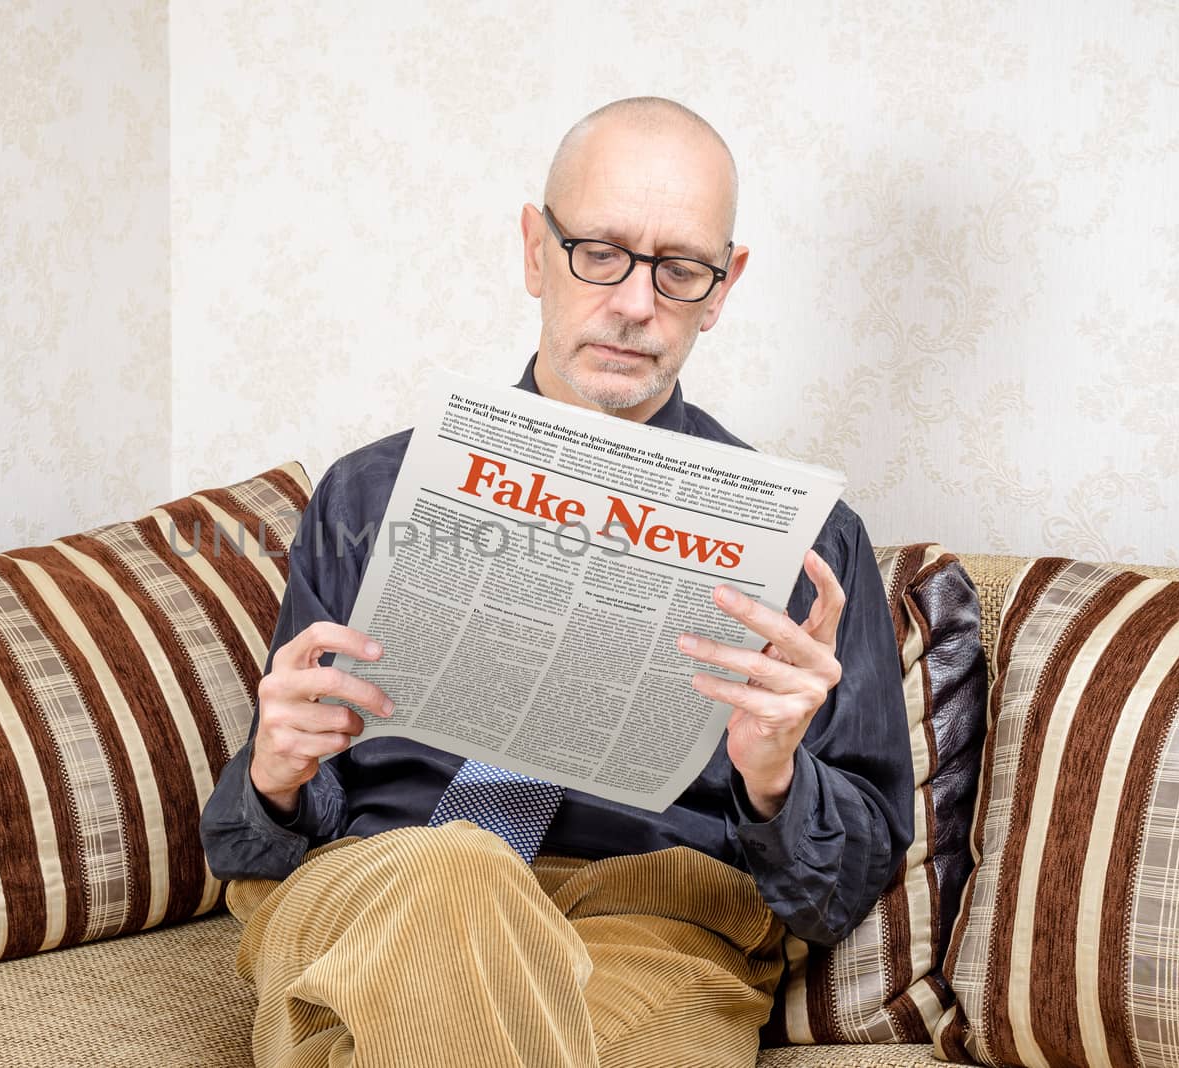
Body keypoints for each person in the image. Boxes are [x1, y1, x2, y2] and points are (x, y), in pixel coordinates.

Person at [200, 97, 913, 1068]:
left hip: (654, 926)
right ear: (535, 250)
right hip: (383, 886)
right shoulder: (370, 495)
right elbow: (252, 852)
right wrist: (276, 777)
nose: (633, 302)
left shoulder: (809, 547)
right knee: (461, 873)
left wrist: (776, 778)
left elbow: (840, 893)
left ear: (722, 287)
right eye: (600, 251)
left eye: (679, 269)